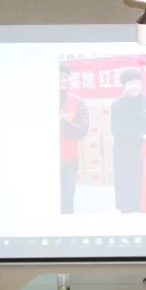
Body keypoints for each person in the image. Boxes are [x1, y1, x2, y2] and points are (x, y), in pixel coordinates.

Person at [110, 67, 146, 214]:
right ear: (124, 86)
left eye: (137, 82)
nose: (134, 86)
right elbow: (117, 131)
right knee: (129, 194)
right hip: (126, 155)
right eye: (130, 83)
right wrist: (140, 136)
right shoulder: (117, 105)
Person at [59, 62, 89, 215]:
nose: (63, 80)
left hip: (68, 159)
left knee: (66, 199)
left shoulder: (78, 102)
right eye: (59, 76)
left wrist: (64, 123)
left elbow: (83, 131)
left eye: (66, 77)